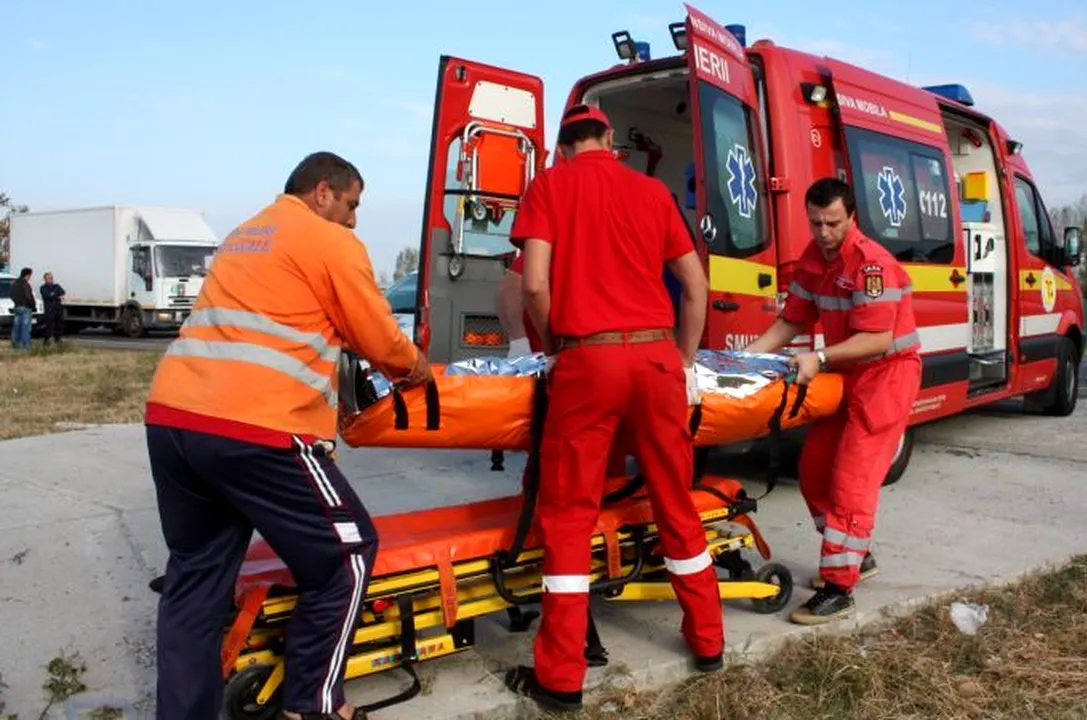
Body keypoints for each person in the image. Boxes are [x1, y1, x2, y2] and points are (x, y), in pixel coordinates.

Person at [143, 151, 432, 720]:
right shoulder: (329, 241)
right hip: (256, 427)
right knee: (346, 555)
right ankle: (313, 706)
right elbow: (376, 333)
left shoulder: (245, 234)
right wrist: (414, 367)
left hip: (174, 420)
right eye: (351, 205)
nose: (354, 220)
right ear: (323, 192)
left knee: (197, 579)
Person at [501, 104, 720, 714]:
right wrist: (683, 357)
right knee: (675, 497)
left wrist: (552, 349)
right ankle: (708, 642)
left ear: (562, 146)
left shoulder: (548, 185)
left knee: (569, 514)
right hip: (655, 360)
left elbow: (534, 284)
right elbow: (696, 286)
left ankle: (562, 678)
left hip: (587, 361)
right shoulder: (650, 191)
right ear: (609, 139)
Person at [744, 177, 920, 625]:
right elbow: (790, 321)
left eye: (833, 223)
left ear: (851, 217)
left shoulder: (871, 265)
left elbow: (878, 339)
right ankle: (856, 557)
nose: (823, 233)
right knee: (814, 470)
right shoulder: (812, 260)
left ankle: (839, 589)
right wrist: (742, 361)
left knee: (850, 481)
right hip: (847, 374)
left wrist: (819, 357)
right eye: (816, 223)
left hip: (885, 376)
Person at [8, 267, 36, 351]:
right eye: (30, 275)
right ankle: (26, 347)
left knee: (16, 327)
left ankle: (16, 345)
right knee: (25, 328)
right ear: (27, 275)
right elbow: (29, 296)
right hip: (25, 308)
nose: (30, 277)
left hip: (17, 307)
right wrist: (33, 305)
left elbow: (11, 295)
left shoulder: (14, 283)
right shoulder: (25, 284)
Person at [40, 271, 66, 346]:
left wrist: (53, 294)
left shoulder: (56, 286)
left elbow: (62, 292)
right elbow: (47, 296)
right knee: (49, 326)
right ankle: (47, 341)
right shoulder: (43, 287)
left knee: (59, 325)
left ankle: (58, 339)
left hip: (58, 308)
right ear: (45, 279)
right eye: (48, 278)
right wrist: (56, 295)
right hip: (49, 309)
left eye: (51, 278)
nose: (50, 279)